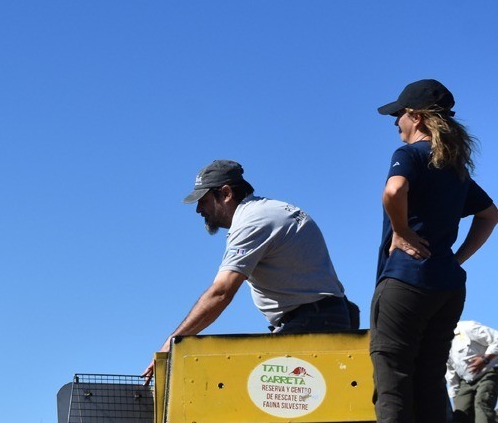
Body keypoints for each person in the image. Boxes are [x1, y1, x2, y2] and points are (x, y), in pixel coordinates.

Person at [347, 79, 498, 423]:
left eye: (399, 114)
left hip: (405, 283)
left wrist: (403, 232)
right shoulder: (455, 168)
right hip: (448, 286)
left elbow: (393, 192)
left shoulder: (411, 154)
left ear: (416, 116)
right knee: (430, 387)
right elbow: (490, 214)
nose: (395, 121)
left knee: (393, 387)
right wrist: (456, 257)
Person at [142, 160, 356, 381]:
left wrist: (172, 343)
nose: (198, 210)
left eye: (203, 201)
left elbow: (221, 292)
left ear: (226, 193)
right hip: (325, 316)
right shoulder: (271, 208)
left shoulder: (252, 222)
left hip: (313, 322)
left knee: (252, 387)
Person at [445, 320, 498, 423]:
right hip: (466, 380)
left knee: (482, 402)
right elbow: (451, 373)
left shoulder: (467, 327)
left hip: (488, 371)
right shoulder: (443, 342)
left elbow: (497, 339)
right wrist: (456, 398)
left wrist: (485, 359)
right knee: (461, 413)